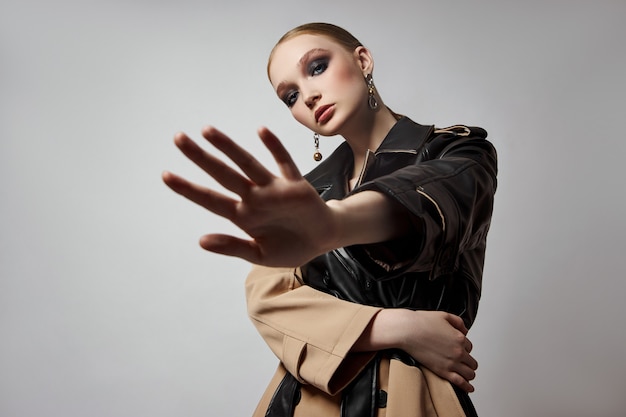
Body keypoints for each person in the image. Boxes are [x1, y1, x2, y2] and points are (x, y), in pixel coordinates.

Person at [162, 22, 497, 417]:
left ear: (363, 59)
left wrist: (335, 225)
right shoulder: (304, 193)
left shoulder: (458, 152)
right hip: (304, 402)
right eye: (290, 95)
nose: (308, 95)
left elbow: (429, 204)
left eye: (317, 67)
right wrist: (399, 327)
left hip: (412, 397)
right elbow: (268, 300)